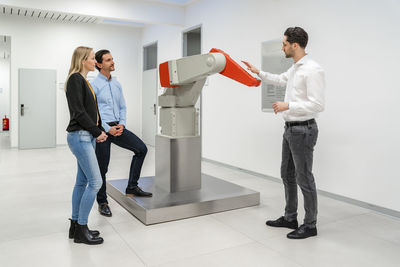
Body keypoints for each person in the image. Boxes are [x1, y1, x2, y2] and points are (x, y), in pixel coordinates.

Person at [243, 27, 325, 239]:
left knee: (304, 178)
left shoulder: (312, 69)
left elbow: (317, 105)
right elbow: (280, 79)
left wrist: (288, 105)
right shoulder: (295, 68)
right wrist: (257, 71)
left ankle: (310, 224)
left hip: (303, 130)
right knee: (287, 174)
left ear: (295, 45)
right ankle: (290, 217)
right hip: (290, 130)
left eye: (285, 43)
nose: (282, 47)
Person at [91, 49, 152, 217]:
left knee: (141, 149)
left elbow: (123, 107)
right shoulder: (94, 85)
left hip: (118, 127)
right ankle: (102, 201)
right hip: (102, 130)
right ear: (99, 64)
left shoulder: (117, 84)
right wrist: (106, 127)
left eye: (112, 59)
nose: (112, 62)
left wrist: (122, 125)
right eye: (108, 60)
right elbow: (93, 111)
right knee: (102, 168)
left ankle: (132, 187)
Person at [65, 46, 108, 245]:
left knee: (82, 183)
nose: (95, 61)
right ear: (83, 60)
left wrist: (100, 130)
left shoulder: (83, 81)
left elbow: (90, 113)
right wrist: (96, 131)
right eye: (92, 58)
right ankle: (82, 227)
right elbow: (79, 113)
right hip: (81, 136)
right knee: (95, 183)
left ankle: (75, 226)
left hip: (86, 136)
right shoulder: (75, 79)